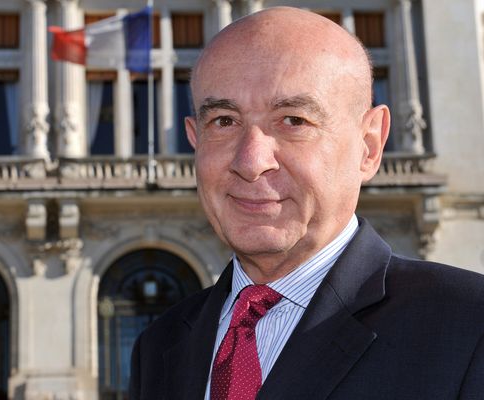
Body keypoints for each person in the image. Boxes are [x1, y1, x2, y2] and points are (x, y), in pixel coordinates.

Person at [129, 7, 484, 400]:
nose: (251, 162)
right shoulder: (159, 346)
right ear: (194, 140)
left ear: (369, 146)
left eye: (294, 121)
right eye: (225, 121)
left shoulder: (469, 326)